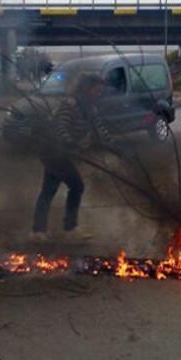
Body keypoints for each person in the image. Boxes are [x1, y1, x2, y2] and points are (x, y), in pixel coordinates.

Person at [32, 74, 116, 241]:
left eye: (100, 92)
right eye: (96, 91)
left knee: (49, 190)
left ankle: (38, 231)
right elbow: (60, 127)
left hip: (63, 153)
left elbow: (100, 129)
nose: (98, 95)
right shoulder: (70, 105)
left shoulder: (90, 109)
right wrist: (70, 144)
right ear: (86, 89)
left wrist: (114, 146)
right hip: (53, 151)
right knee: (76, 186)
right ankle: (69, 229)